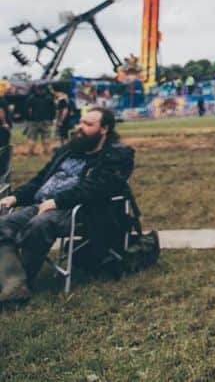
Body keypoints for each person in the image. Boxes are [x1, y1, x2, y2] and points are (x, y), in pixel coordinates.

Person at [0, 107, 134, 304]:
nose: (80, 127)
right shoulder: (69, 151)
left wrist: (57, 201)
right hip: (42, 203)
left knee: (39, 224)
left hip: (80, 211)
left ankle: (20, 282)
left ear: (104, 129)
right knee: (3, 224)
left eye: (88, 124)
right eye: (81, 122)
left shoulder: (115, 157)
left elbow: (96, 189)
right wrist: (16, 198)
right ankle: (15, 281)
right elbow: (40, 180)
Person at [24, 84, 55, 156]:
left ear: (36, 89)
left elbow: (27, 110)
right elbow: (52, 110)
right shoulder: (49, 98)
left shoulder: (31, 98)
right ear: (44, 89)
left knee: (32, 137)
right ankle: (47, 152)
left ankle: (30, 152)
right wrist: (51, 119)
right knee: (46, 136)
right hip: (46, 120)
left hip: (34, 120)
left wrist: (28, 118)